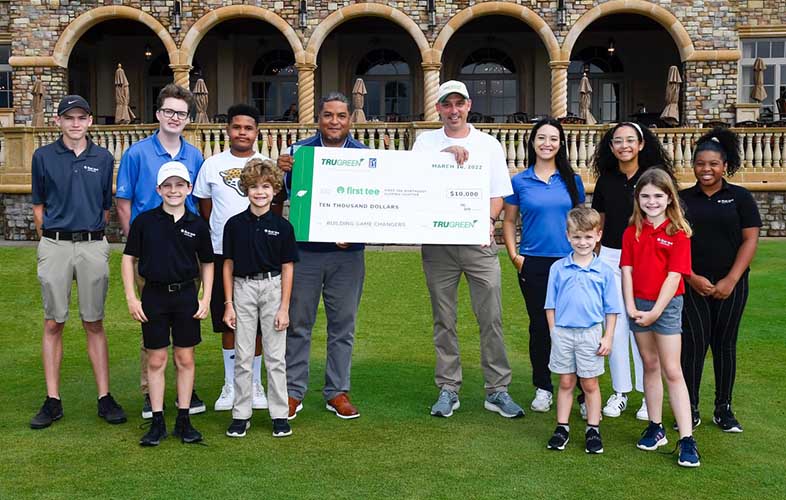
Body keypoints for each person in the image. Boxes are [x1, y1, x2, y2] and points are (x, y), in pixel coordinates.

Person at [412, 80, 524, 419]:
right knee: (443, 318)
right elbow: (413, 183)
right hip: (438, 245)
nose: (454, 110)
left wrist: (487, 222)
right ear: (439, 108)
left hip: (478, 243)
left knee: (491, 317)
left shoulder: (487, 144)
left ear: (469, 105)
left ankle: (497, 390)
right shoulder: (425, 143)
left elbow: (498, 194)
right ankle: (448, 388)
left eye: (459, 104)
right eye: (447, 105)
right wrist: (444, 158)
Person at [29, 95, 126, 429]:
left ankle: (104, 397)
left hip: (92, 244)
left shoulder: (102, 157)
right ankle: (53, 400)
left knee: (94, 321)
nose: (75, 124)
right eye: (68, 118)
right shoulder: (42, 156)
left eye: (81, 117)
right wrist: (52, 239)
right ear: (58, 122)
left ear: (89, 121)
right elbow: (38, 206)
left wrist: (88, 237)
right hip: (54, 244)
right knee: (54, 322)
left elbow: (103, 207)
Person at [116, 83, 206, 418]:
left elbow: (197, 203)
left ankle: (187, 389)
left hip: (185, 253)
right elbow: (124, 203)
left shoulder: (194, 156)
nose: (174, 118)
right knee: (151, 323)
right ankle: (148, 392)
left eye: (181, 113)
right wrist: (137, 246)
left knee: (186, 318)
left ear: (187, 119)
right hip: (148, 254)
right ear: (158, 114)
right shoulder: (137, 153)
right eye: (169, 111)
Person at [278, 92, 366, 420]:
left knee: (343, 325)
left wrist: (354, 232)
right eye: (328, 115)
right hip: (306, 252)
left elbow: (372, 204)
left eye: (341, 115)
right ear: (319, 118)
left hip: (347, 256)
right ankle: (293, 390)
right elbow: (279, 193)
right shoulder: (299, 153)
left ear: (349, 119)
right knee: (299, 323)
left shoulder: (364, 155)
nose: (334, 121)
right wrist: (280, 170)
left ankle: (337, 391)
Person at [121, 161, 214, 446]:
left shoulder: (196, 224)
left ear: (188, 188)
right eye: (168, 186)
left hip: (186, 296)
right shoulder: (145, 221)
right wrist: (131, 297)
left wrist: (206, 297)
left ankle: (183, 419)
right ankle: (158, 420)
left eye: (180, 185)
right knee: (156, 358)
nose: (174, 191)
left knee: (185, 358)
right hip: (154, 297)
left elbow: (207, 263)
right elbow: (128, 260)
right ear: (159, 189)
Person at [590, 122, 675, 421]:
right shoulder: (607, 180)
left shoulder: (653, 178)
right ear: (611, 147)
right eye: (618, 141)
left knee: (642, 326)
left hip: (645, 260)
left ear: (640, 144)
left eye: (630, 140)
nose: (624, 146)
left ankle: (644, 393)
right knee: (614, 327)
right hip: (611, 258)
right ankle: (620, 391)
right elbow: (598, 220)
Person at [679, 128, 761, 432]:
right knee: (694, 345)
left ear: (724, 166)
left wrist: (731, 279)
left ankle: (723, 408)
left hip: (732, 284)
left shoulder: (740, 197)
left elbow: (750, 240)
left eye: (713, 164)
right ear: (694, 165)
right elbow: (675, 242)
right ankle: (690, 407)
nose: (706, 169)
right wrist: (691, 277)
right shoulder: (683, 199)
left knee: (725, 345)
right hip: (693, 283)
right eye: (701, 163)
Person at [502, 118, 585, 414]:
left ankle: (581, 391)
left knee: (574, 326)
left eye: (553, 138)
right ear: (533, 142)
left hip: (570, 263)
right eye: (541, 138)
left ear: (560, 144)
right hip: (533, 263)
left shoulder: (572, 180)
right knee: (540, 327)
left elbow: (581, 222)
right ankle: (543, 387)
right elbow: (509, 221)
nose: (547, 143)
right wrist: (514, 255)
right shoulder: (520, 181)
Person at [620, 168, 700, 468]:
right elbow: (626, 269)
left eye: (658, 196)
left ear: (669, 198)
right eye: (645, 196)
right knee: (649, 364)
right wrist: (630, 305)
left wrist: (655, 311)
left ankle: (687, 440)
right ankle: (655, 428)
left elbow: (674, 276)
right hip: (637, 304)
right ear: (637, 199)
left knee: (671, 369)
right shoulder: (631, 232)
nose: (651, 202)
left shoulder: (678, 233)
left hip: (665, 305)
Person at [193, 104, 269, 412]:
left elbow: (274, 203)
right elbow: (205, 207)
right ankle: (231, 384)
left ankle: (254, 385)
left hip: (258, 252)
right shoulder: (212, 164)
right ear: (228, 130)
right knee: (229, 321)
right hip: (222, 252)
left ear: (256, 132)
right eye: (237, 127)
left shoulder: (265, 163)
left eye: (248, 128)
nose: (242, 132)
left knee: (261, 324)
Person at [222, 159, 299, 438]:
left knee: (275, 356)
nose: (260, 192)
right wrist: (228, 303)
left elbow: (288, 266)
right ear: (246, 189)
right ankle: (241, 413)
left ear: (275, 189)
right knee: (243, 355)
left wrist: (284, 307)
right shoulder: (234, 225)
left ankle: (279, 413)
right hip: (243, 288)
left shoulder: (282, 227)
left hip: (273, 288)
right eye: (254, 187)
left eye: (266, 187)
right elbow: (227, 264)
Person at [545, 207, 621, 454]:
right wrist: (554, 333)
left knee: (589, 383)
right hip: (564, 334)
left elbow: (611, 309)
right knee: (566, 381)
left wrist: (608, 336)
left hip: (590, 334)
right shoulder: (558, 268)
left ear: (598, 235)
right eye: (577, 236)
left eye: (588, 237)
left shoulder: (604, 271)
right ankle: (562, 427)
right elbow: (550, 305)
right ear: (568, 236)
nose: (582, 242)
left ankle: (593, 429)